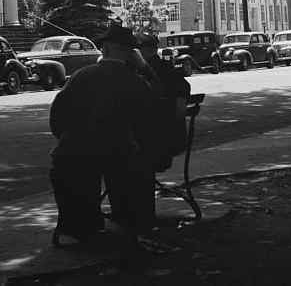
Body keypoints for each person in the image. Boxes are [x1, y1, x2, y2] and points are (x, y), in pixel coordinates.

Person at [48, 22, 164, 249]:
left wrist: (68, 137)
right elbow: (156, 97)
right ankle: (129, 221)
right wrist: (142, 66)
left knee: (81, 176)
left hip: (72, 153)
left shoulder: (82, 76)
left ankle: (80, 228)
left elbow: (57, 115)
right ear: (131, 54)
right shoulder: (133, 81)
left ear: (105, 49)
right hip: (115, 152)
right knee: (130, 168)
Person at [135, 33, 191, 172]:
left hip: (156, 141)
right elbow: (184, 87)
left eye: (137, 48)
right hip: (171, 137)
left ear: (149, 49)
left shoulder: (152, 70)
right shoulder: (165, 67)